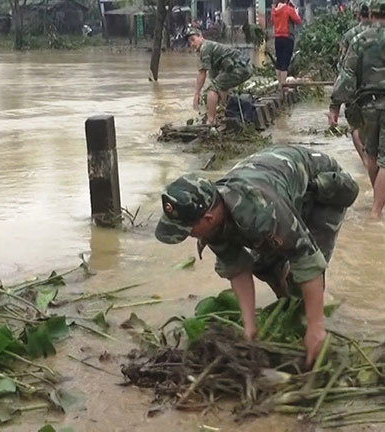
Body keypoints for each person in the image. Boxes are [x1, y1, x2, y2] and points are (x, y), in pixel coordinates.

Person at [155, 146, 358, 367]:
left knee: (300, 276)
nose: (188, 236)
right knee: (263, 265)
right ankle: (291, 304)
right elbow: (237, 268)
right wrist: (249, 328)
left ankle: (310, 324)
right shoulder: (212, 221)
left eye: (188, 230)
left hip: (323, 188)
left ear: (208, 218)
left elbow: (308, 261)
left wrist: (315, 326)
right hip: (275, 180)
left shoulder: (261, 211)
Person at [329, 0, 385, 219]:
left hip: (368, 105)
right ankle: (377, 211)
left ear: (370, 13)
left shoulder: (359, 39)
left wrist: (335, 105)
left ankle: (376, 206)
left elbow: (347, 76)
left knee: (371, 155)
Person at [187, 28, 253, 125]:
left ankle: (211, 120)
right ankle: (223, 111)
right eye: (190, 43)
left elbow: (202, 73)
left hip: (240, 68)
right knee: (218, 86)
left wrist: (197, 94)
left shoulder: (205, 48)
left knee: (212, 89)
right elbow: (215, 78)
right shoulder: (210, 49)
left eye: (193, 40)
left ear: (200, 37)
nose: (192, 44)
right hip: (244, 68)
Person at [336, 0, 371, 167]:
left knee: (356, 126)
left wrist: (336, 101)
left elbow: (342, 65)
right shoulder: (380, 33)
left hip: (355, 88)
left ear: (358, 15)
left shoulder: (350, 35)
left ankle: (364, 159)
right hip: (376, 88)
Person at [271, 0, 302, 89]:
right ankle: (283, 84)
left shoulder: (274, 10)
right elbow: (298, 20)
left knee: (279, 60)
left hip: (277, 37)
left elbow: (272, 20)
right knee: (285, 61)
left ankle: (280, 83)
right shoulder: (288, 9)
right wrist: (295, 10)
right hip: (287, 37)